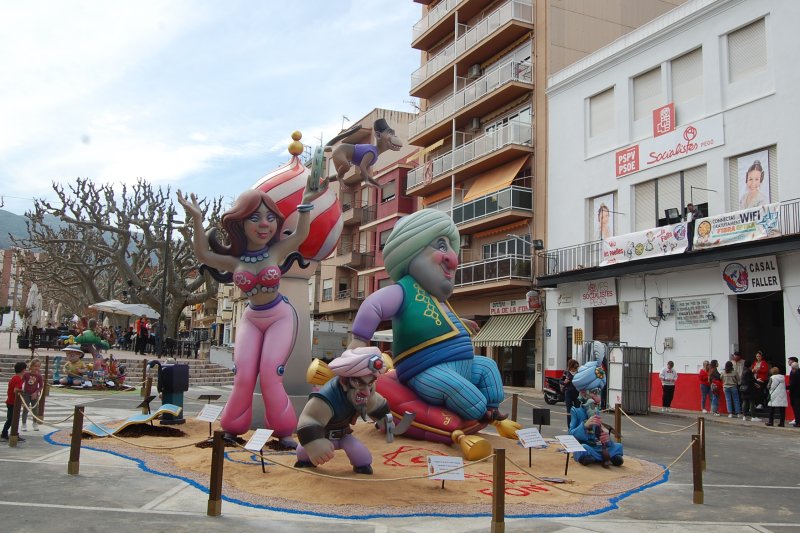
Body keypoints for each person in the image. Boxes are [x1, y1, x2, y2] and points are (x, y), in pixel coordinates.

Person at [177, 165, 326, 446]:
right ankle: (233, 429)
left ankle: (282, 432)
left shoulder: (277, 250)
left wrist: (306, 199)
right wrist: (196, 220)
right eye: (255, 217)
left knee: (271, 374)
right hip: (251, 318)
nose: (264, 223)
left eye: (270, 217)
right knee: (243, 374)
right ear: (241, 222)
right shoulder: (235, 261)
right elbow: (202, 253)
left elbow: (300, 235)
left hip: (281, 316)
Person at [347, 209, 508, 424]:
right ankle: (480, 414)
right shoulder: (403, 292)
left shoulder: (436, 298)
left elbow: (439, 320)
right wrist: (358, 340)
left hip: (461, 364)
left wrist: (461, 322)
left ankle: (492, 407)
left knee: (488, 366)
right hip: (424, 371)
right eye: (442, 246)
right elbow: (373, 305)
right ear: (410, 252)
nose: (453, 258)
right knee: (458, 388)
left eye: (451, 247)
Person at [294, 347, 390, 475]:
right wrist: (314, 442)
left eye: (370, 383)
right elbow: (309, 419)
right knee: (303, 453)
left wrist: (384, 419)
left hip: (343, 435)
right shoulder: (327, 398)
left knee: (363, 459)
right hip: (322, 434)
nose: (366, 391)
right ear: (345, 381)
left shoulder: (366, 391)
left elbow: (375, 402)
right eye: (359, 383)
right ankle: (306, 458)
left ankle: (361, 468)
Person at [568, 343, 623, 467]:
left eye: (598, 393)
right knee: (583, 448)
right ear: (583, 393)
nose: (597, 398)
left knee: (617, 446)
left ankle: (609, 455)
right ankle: (589, 457)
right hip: (585, 444)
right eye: (593, 393)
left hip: (597, 445)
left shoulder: (596, 411)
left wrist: (605, 437)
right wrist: (585, 425)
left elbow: (599, 433)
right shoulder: (576, 411)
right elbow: (571, 434)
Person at [1, 361, 27, 442]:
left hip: (11, 401)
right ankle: (8, 433)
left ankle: (11, 433)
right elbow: (15, 390)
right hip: (13, 402)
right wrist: (22, 391)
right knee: (12, 419)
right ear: (23, 370)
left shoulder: (14, 377)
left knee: (11, 419)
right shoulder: (18, 379)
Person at [21, 358, 43, 431]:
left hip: (34, 394)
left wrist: (36, 393)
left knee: (35, 410)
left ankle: (35, 423)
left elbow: (41, 386)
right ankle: (24, 424)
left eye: (38, 366)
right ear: (31, 366)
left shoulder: (39, 376)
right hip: (26, 394)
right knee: (25, 409)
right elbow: (21, 382)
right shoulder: (26, 374)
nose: (36, 368)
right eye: (35, 366)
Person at [562, 359, 580, 429]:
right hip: (568, 393)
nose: (575, 369)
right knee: (569, 411)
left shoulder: (579, 373)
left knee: (577, 410)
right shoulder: (566, 372)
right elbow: (560, 381)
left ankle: (577, 427)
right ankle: (569, 427)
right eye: (574, 367)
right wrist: (564, 382)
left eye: (576, 368)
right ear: (570, 367)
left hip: (577, 393)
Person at [788, 357, 800, 427]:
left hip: (796, 394)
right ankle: (797, 421)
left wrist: (787, 387)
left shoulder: (796, 374)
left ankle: (798, 422)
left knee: (797, 408)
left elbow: (793, 384)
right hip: (795, 393)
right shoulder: (795, 372)